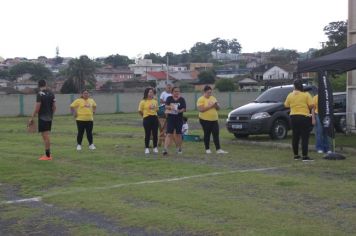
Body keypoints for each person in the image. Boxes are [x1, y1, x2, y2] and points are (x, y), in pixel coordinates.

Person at [284, 79, 314, 161]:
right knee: (304, 137)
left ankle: (296, 155)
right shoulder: (306, 95)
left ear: (294, 86)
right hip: (304, 117)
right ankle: (305, 156)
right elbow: (311, 105)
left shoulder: (290, 95)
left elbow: (286, 105)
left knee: (295, 136)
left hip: (293, 117)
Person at [28, 79, 56, 161]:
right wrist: (51, 115)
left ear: (38, 85)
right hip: (49, 117)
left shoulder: (39, 94)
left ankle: (47, 156)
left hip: (42, 118)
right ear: (46, 84)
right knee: (46, 135)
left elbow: (37, 108)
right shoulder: (51, 93)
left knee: (45, 136)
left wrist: (31, 118)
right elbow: (54, 107)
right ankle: (48, 155)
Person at [197, 85, 228, 154]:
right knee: (207, 134)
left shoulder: (213, 98)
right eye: (208, 92)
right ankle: (207, 149)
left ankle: (218, 149)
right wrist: (211, 106)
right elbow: (201, 109)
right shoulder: (201, 99)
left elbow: (218, 109)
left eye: (211, 92)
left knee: (216, 134)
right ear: (204, 92)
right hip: (204, 119)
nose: (210, 94)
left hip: (214, 119)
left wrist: (216, 106)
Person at [163, 86, 186, 155]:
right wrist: (170, 107)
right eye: (175, 91)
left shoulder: (182, 99)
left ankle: (179, 148)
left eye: (178, 91)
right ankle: (165, 149)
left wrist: (179, 110)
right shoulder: (169, 98)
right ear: (172, 92)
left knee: (179, 134)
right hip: (170, 118)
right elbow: (166, 106)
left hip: (179, 118)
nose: (177, 92)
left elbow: (184, 108)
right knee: (169, 134)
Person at [138, 87, 159, 154]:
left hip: (154, 118)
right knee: (147, 134)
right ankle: (146, 148)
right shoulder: (143, 101)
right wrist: (144, 116)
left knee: (155, 133)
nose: (151, 93)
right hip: (147, 118)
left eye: (152, 92)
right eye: (150, 92)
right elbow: (140, 111)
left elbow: (156, 110)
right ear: (146, 93)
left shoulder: (155, 101)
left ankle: (155, 147)